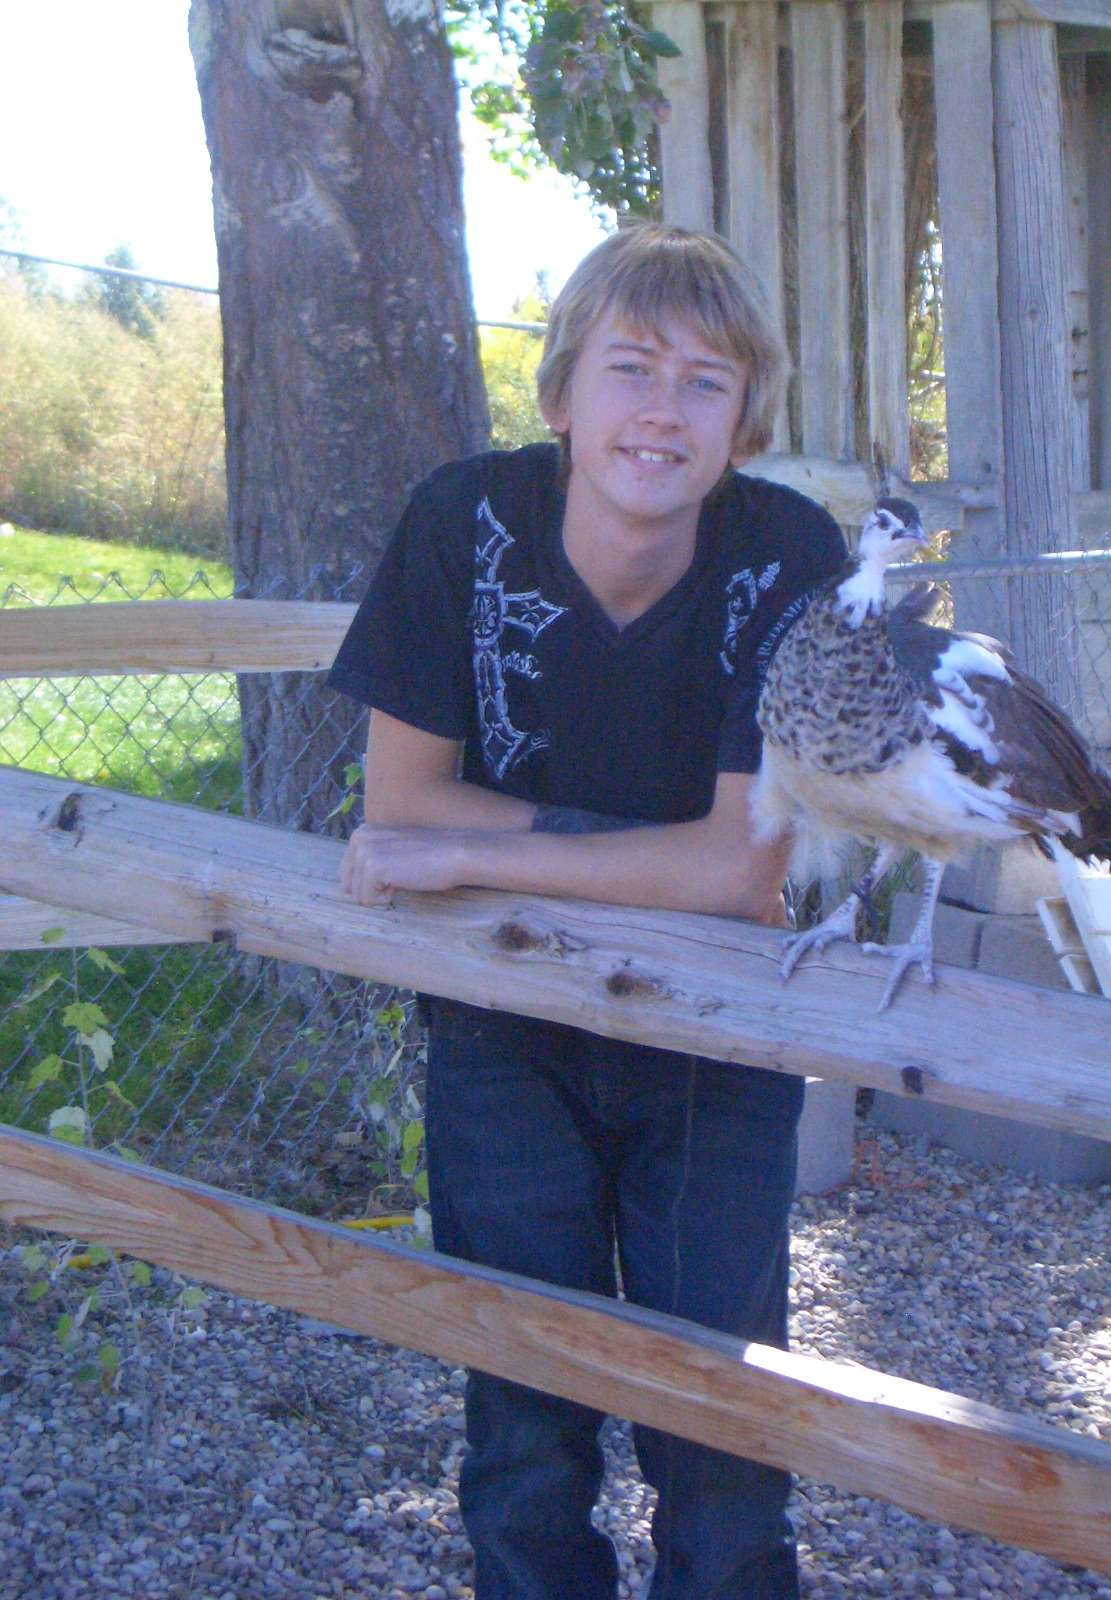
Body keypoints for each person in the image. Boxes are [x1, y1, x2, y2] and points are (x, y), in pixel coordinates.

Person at [330, 222, 846, 1600]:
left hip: (714, 1038)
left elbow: (745, 872)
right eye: (631, 369)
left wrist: (472, 853)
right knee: (523, 1427)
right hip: (501, 1019)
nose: (662, 413)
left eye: (705, 381)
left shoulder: (787, 555)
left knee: (723, 1427)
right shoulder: (465, 524)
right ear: (561, 393)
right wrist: (645, 855)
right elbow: (399, 809)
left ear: (747, 418)